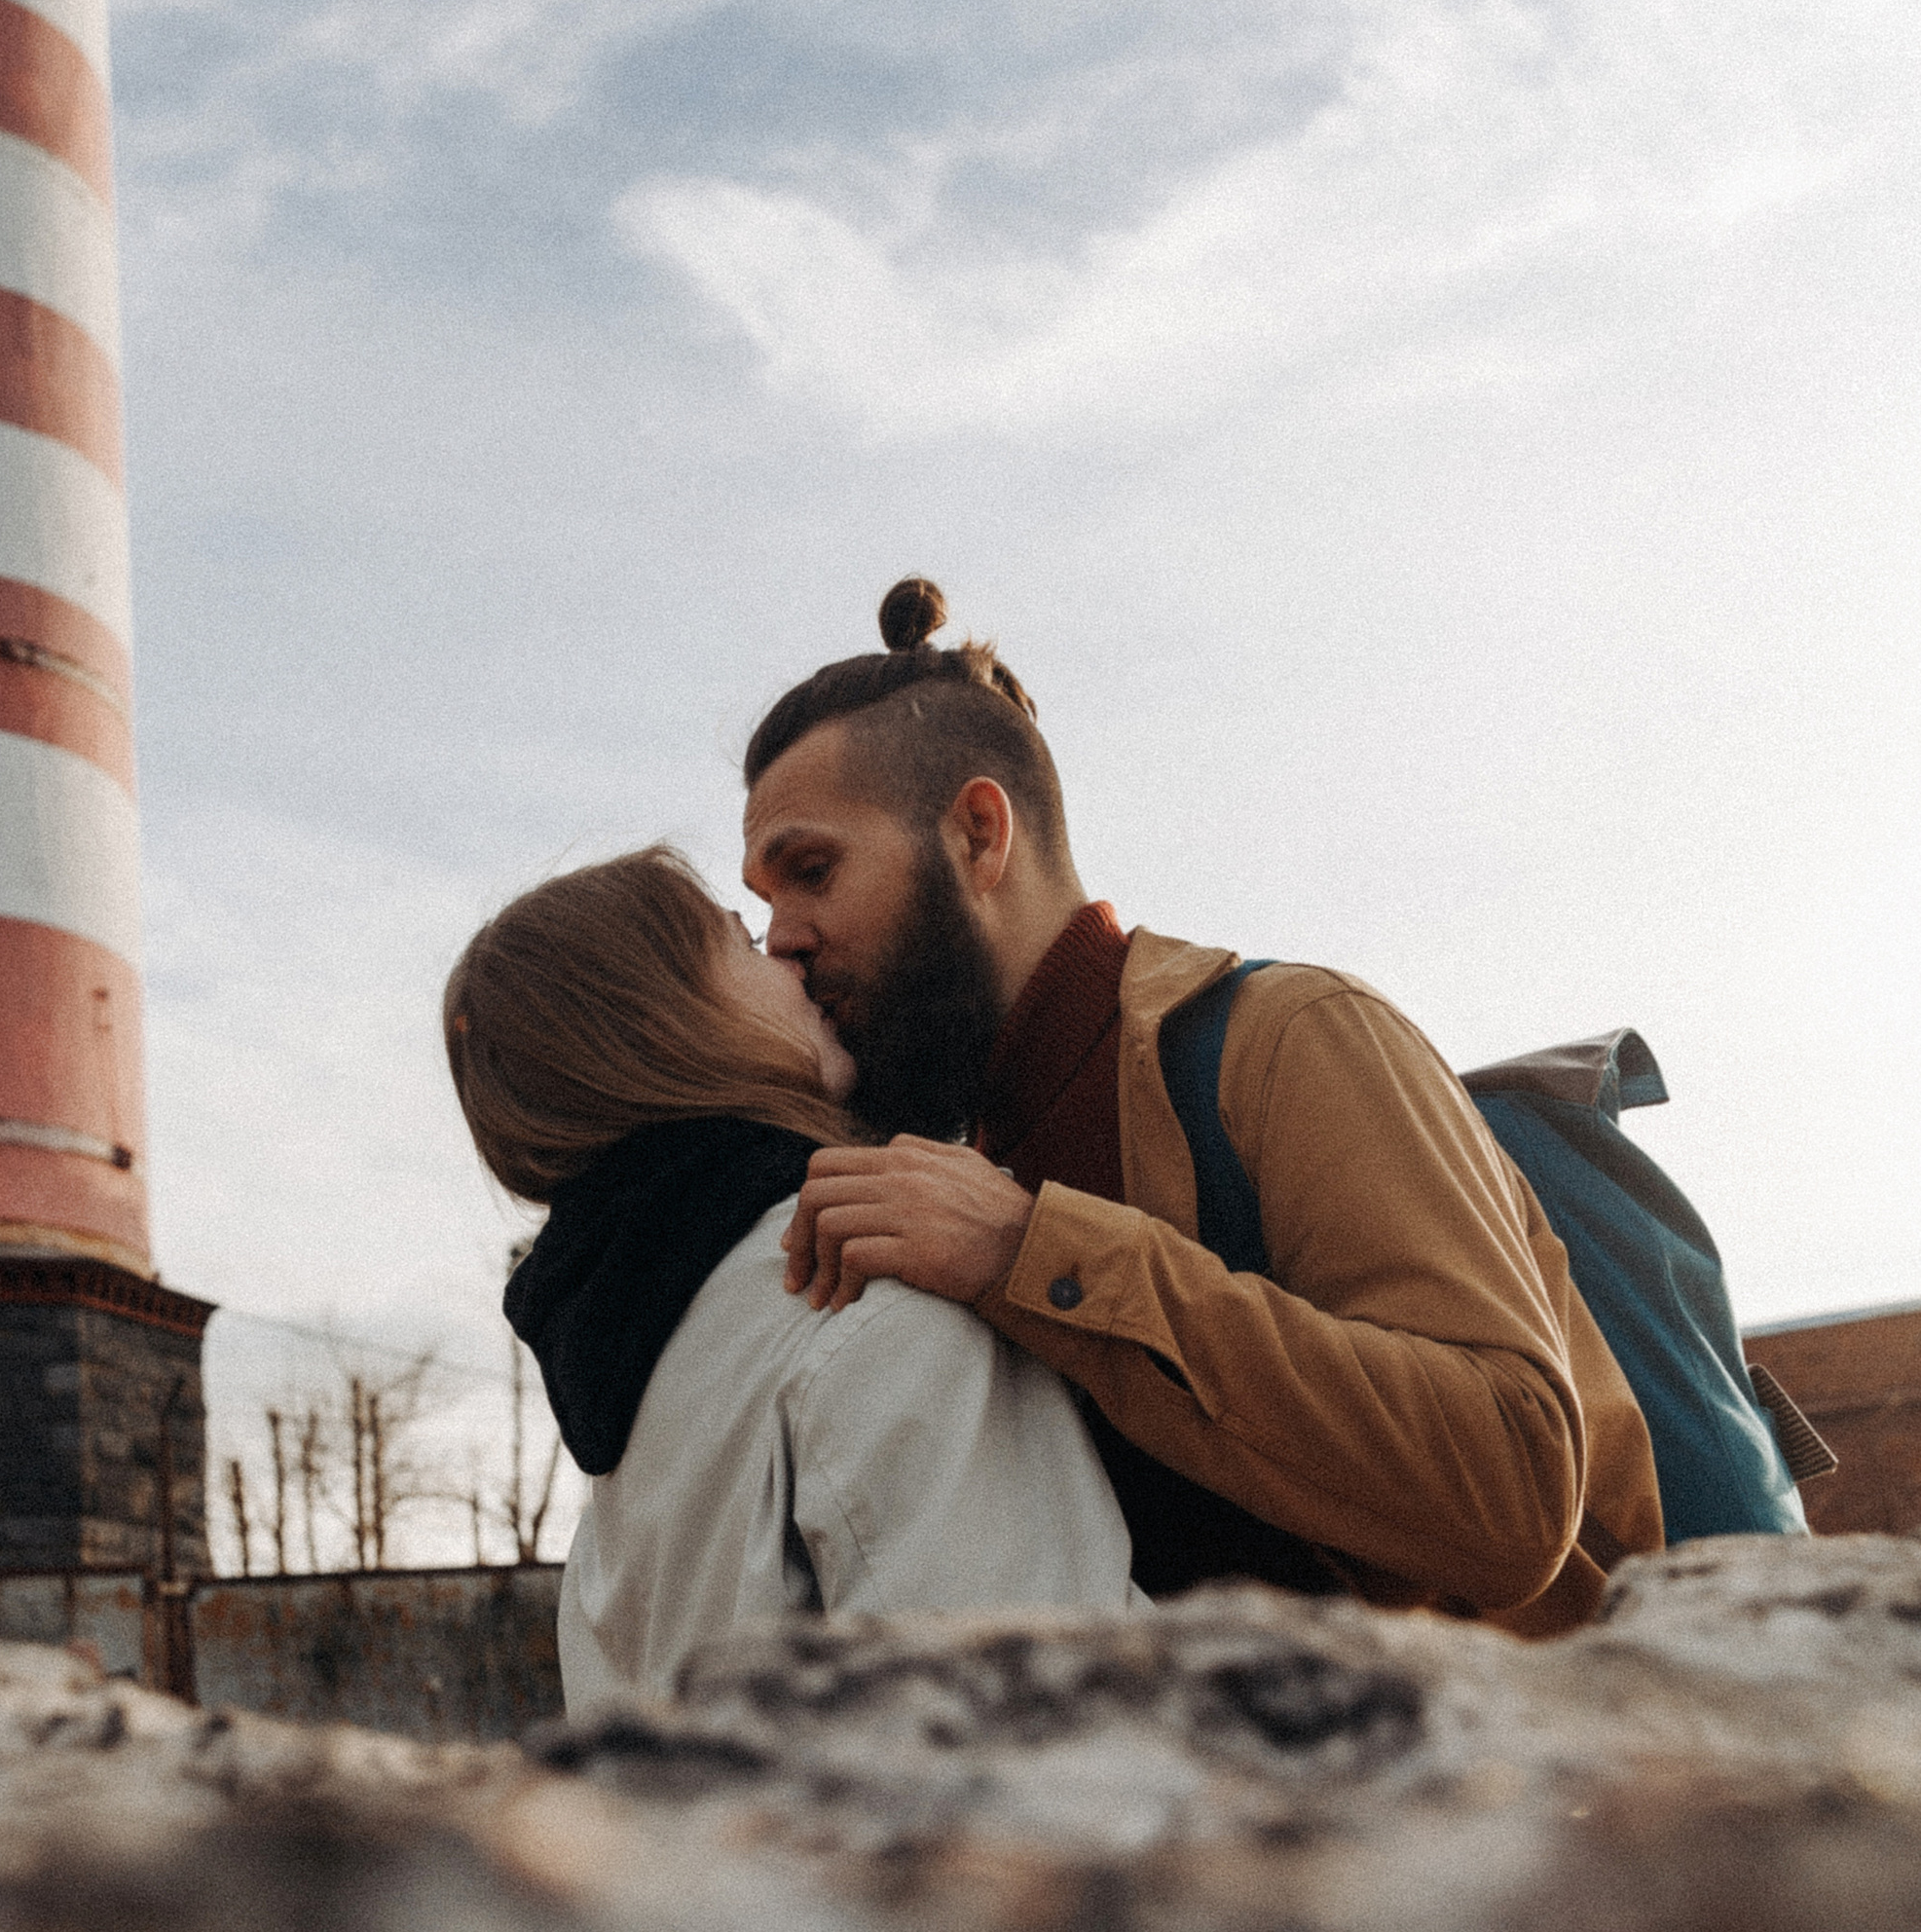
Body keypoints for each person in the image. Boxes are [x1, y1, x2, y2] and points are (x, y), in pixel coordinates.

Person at [741, 581, 1666, 1640]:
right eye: (763, 905)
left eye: (810, 871)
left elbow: (1510, 1493)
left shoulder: (1293, 1037)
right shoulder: (956, 1168)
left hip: (1572, 1782)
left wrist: (1030, 1253)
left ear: (977, 836)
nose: (782, 939)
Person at [444, 844, 1135, 1718]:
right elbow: (1043, 1734)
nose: (784, 955)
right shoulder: (864, 1292)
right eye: (737, 944)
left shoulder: (623, 1389)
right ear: (668, 1021)